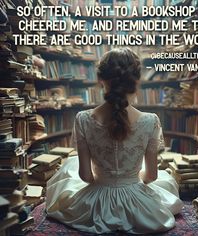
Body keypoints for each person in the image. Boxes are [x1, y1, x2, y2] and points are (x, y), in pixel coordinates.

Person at [46, 47, 183, 234]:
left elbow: (86, 176)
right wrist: (130, 179)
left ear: (101, 79)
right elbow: (151, 177)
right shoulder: (151, 121)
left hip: (98, 199)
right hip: (137, 202)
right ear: (135, 80)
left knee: (66, 172)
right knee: (167, 182)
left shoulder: (83, 118)